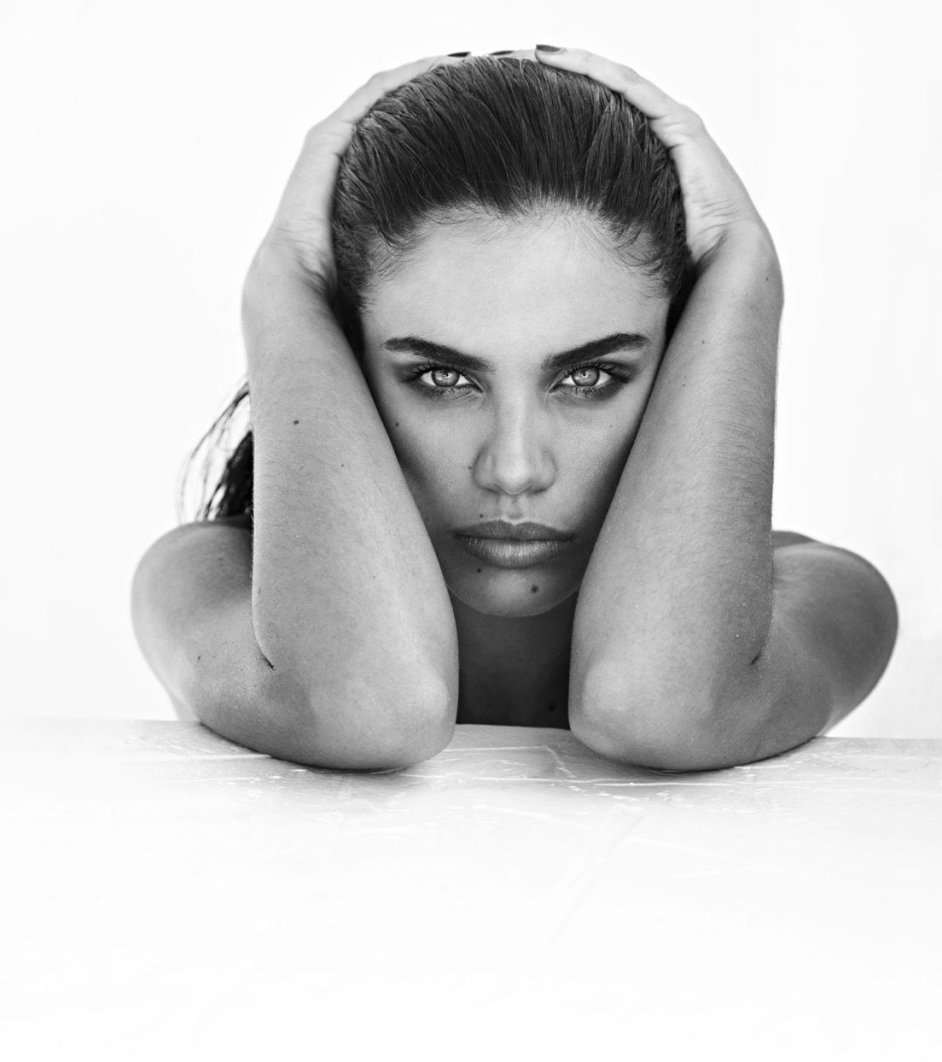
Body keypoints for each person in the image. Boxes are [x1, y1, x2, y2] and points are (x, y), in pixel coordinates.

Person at [130, 46, 898, 772]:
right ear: (345, 361)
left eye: (590, 376)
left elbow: (664, 704)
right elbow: (369, 706)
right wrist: (285, 290)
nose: (514, 468)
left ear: (686, 360)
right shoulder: (208, 581)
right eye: (441, 378)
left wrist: (742, 269)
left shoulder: (818, 593)